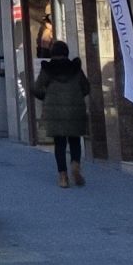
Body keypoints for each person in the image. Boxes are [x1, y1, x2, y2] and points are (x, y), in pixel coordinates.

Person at [31, 40, 92, 188]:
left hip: (55, 111)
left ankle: (63, 177)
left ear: (52, 53)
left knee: (59, 144)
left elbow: (37, 89)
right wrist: (76, 96)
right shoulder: (75, 68)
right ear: (66, 52)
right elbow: (86, 87)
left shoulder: (48, 69)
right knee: (75, 140)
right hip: (75, 109)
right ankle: (76, 166)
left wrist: (48, 96)